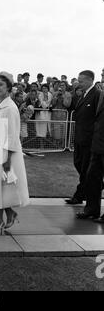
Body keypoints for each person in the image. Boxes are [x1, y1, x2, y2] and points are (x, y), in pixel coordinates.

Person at [0, 72, 30, 235]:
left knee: (0, 188)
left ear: (9, 88)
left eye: (0, 84)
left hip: (5, 153)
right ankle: (10, 213)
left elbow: (12, 134)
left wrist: (8, 160)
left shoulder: (10, 108)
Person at [66, 70, 101, 206]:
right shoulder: (83, 95)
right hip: (80, 138)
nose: (78, 84)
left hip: (89, 139)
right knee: (79, 164)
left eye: (81, 81)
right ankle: (83, 192)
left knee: (86, 168)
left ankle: (80, 195)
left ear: (89, 80)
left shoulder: (97, 95)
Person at [77, 90, 104, 221]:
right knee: (92, 178)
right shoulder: (101, 95)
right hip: (97, 145)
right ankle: (92, 210)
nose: (102, 77)